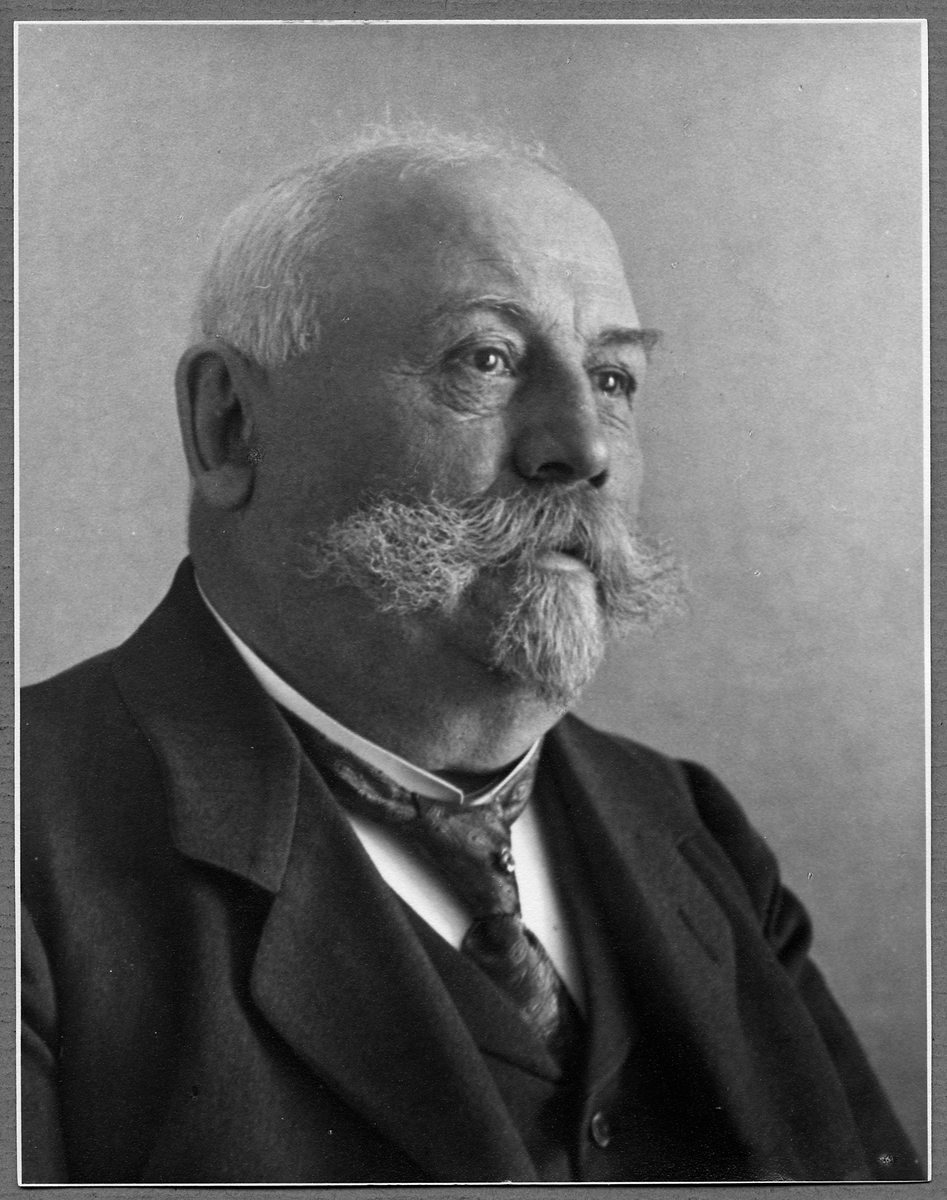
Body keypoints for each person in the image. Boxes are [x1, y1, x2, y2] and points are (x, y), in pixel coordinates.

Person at [19, 126, 921, 1184]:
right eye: (483, 360)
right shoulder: (28, 845)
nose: (581, 447)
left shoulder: (692, 827)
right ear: (229, 426)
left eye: (612, 377)